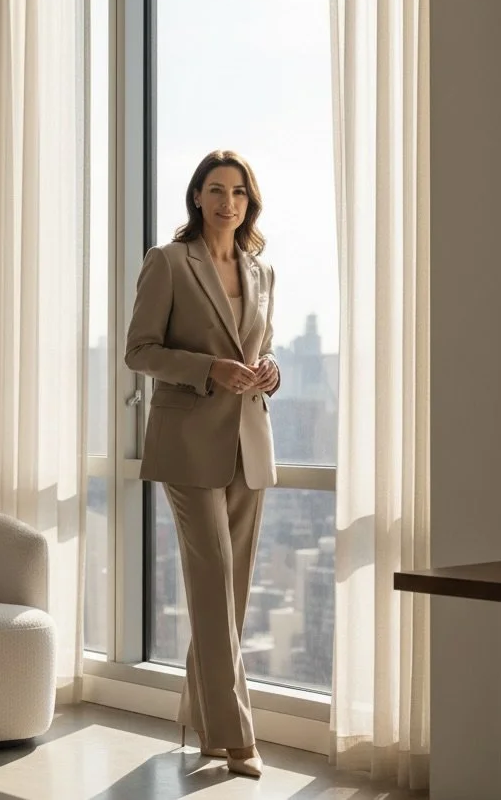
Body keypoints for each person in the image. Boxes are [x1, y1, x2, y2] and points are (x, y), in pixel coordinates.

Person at [124, 149, 279, 779]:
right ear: (197, 197)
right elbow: (139, 351)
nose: (228, 202)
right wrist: (207, 369)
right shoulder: (168, 262)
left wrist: (270, 373)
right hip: (187, 442)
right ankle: (238, 737)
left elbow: (262, 348)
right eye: (216, 190)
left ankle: (205, 722)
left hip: (248, 441)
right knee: (213, 580)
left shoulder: (262, 271)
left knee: (231, 593)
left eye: (239, 192)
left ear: (249, 200)